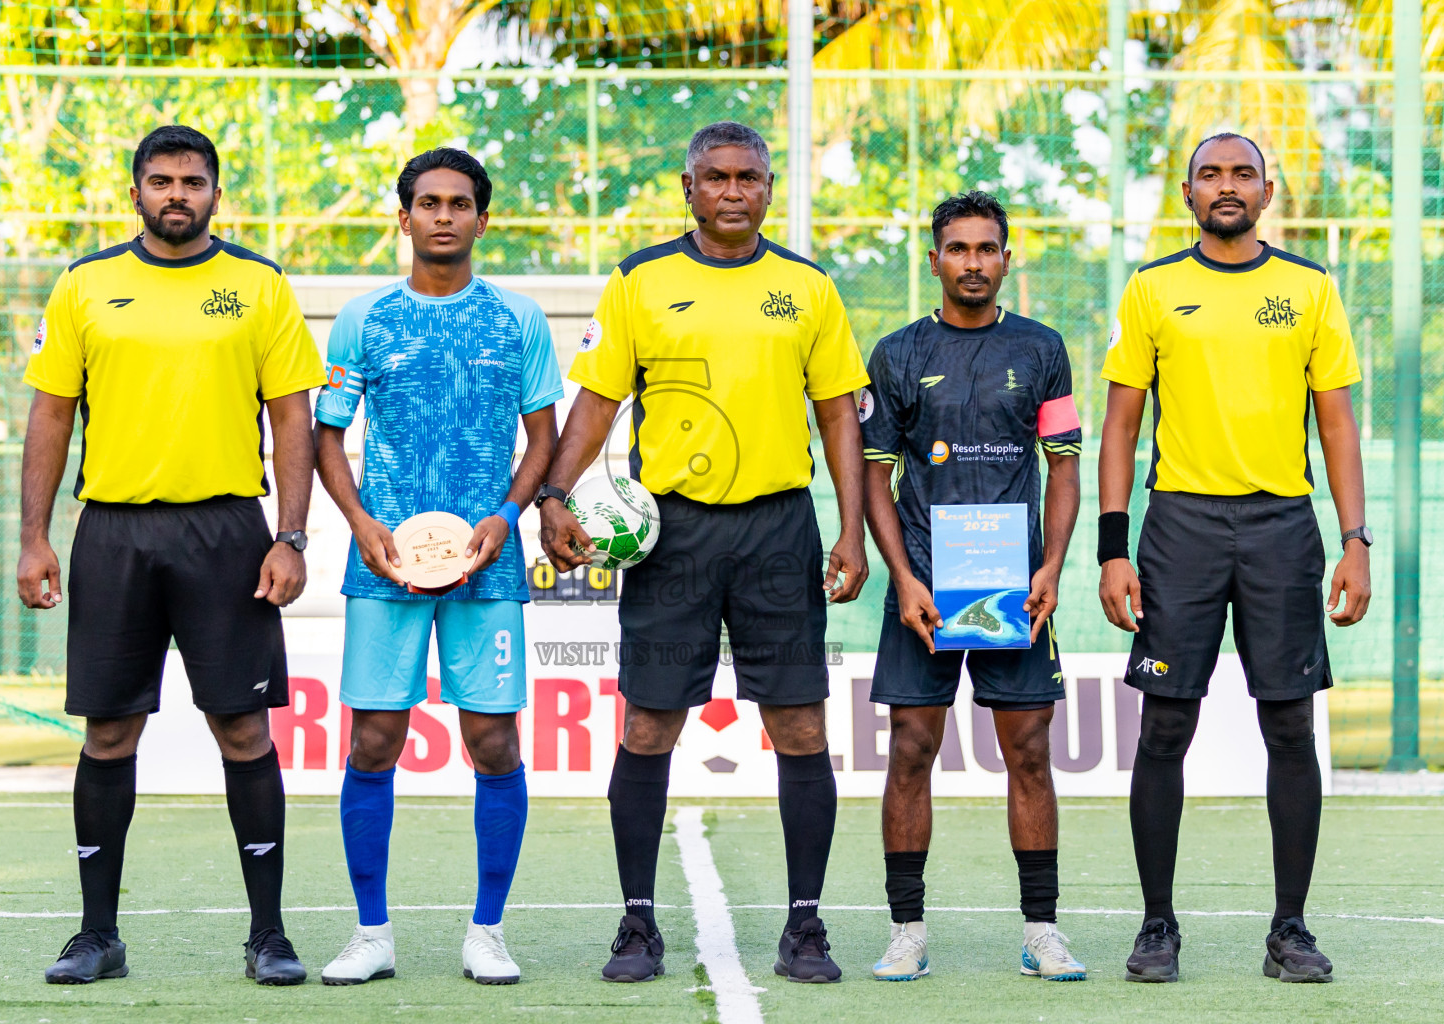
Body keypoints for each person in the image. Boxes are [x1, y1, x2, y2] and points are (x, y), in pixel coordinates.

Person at [538, 121, 870, 984]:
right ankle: (638, 923)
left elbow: (838, 412)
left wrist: (852, 527)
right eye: (716, 177)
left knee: (798, 723)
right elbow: (597, 401)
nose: (733, 191)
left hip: (777, 527)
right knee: (649, 722)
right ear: (687, 188)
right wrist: (553, 494)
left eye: (749, 178)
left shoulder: (807, 287)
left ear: (768, 188)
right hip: (672, 535)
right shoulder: (640, 281)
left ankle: (805, 925)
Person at [18, 125, 324, 985]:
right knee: (110, 729)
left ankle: (268, 933)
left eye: (193, 181)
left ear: (217, 194)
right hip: (114, 531)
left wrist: (291, 535)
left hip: (228, 529)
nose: (177, 194)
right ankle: (97, 935)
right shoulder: (86, 286)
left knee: (241, 725)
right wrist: (33, 536)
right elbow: (51, 414)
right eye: (161, 180)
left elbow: (291, 416)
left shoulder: (258, 285)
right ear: (135, 192)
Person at [1099, 132, 1371, 984]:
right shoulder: (1153, 289)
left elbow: (1335, 423)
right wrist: (1113, 547)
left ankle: (1289, 929)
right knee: (1165, 726)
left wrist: (1355, 541)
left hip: (1282, 530)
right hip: (1179, 530)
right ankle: (1156, 927)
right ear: (1187, 192)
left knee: (1288, 726)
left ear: (1267, 190)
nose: (1227, 185)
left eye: (1242, 173)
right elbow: (1119, 426)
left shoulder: (1309, 289)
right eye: (1211, 173)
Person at [313, 148, 562, 986]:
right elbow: (328, 434)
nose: (445, 216)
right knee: (374, 739)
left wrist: (505, 516)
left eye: (461, 203)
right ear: (405, 216)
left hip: (487, 568)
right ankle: (371, 932)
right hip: (382, 565)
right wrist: (360, 523)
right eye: (429, 202)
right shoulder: (363, 320)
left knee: (493, 743)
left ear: (483, 220)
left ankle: (488, 930)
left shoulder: (518, 319)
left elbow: (544, 439)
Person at [860, 191, 1087, 983]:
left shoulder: (1044, 348)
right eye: (957, 249)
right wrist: (903, 575)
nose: (973, 263)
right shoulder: (894, 355)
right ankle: (907, 930)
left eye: (986, 249)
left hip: (1015, 589)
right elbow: (872, 479)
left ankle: (1042, 930)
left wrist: (1051, 564)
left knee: (1029, 753)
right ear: (934, 260)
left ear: (1005, 259)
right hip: (923, 587)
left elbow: (1064, 467)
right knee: (913, 751)